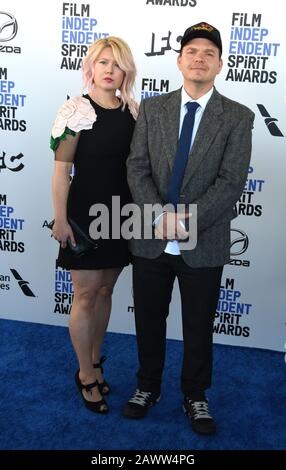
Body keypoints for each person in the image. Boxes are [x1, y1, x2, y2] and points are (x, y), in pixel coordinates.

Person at [123, 22, 254, 434]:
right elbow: (137, 167)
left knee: (199, 324)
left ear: (220, 66)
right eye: (192, 51)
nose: (199, 58)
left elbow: (231, 182)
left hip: (205, 240)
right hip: (150, 239)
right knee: (148, 317)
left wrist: (187, 220)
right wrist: (160, 215)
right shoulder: (153, 109)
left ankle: (196, 395)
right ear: (179, 60)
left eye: (208, 53)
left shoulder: (237, 116)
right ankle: (148, 386)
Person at [50, 37, 138, 414]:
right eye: (102, 62)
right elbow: (60, 171)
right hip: (84, 216)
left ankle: (97, 360)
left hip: (121, 214)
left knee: (104, 292)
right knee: (85, 295)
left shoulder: (134, 111)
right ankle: (85, 373)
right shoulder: (74, 110)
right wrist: (60, 218)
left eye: (116, 64)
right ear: (91, 67)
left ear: (125, 72)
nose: (108, 69)